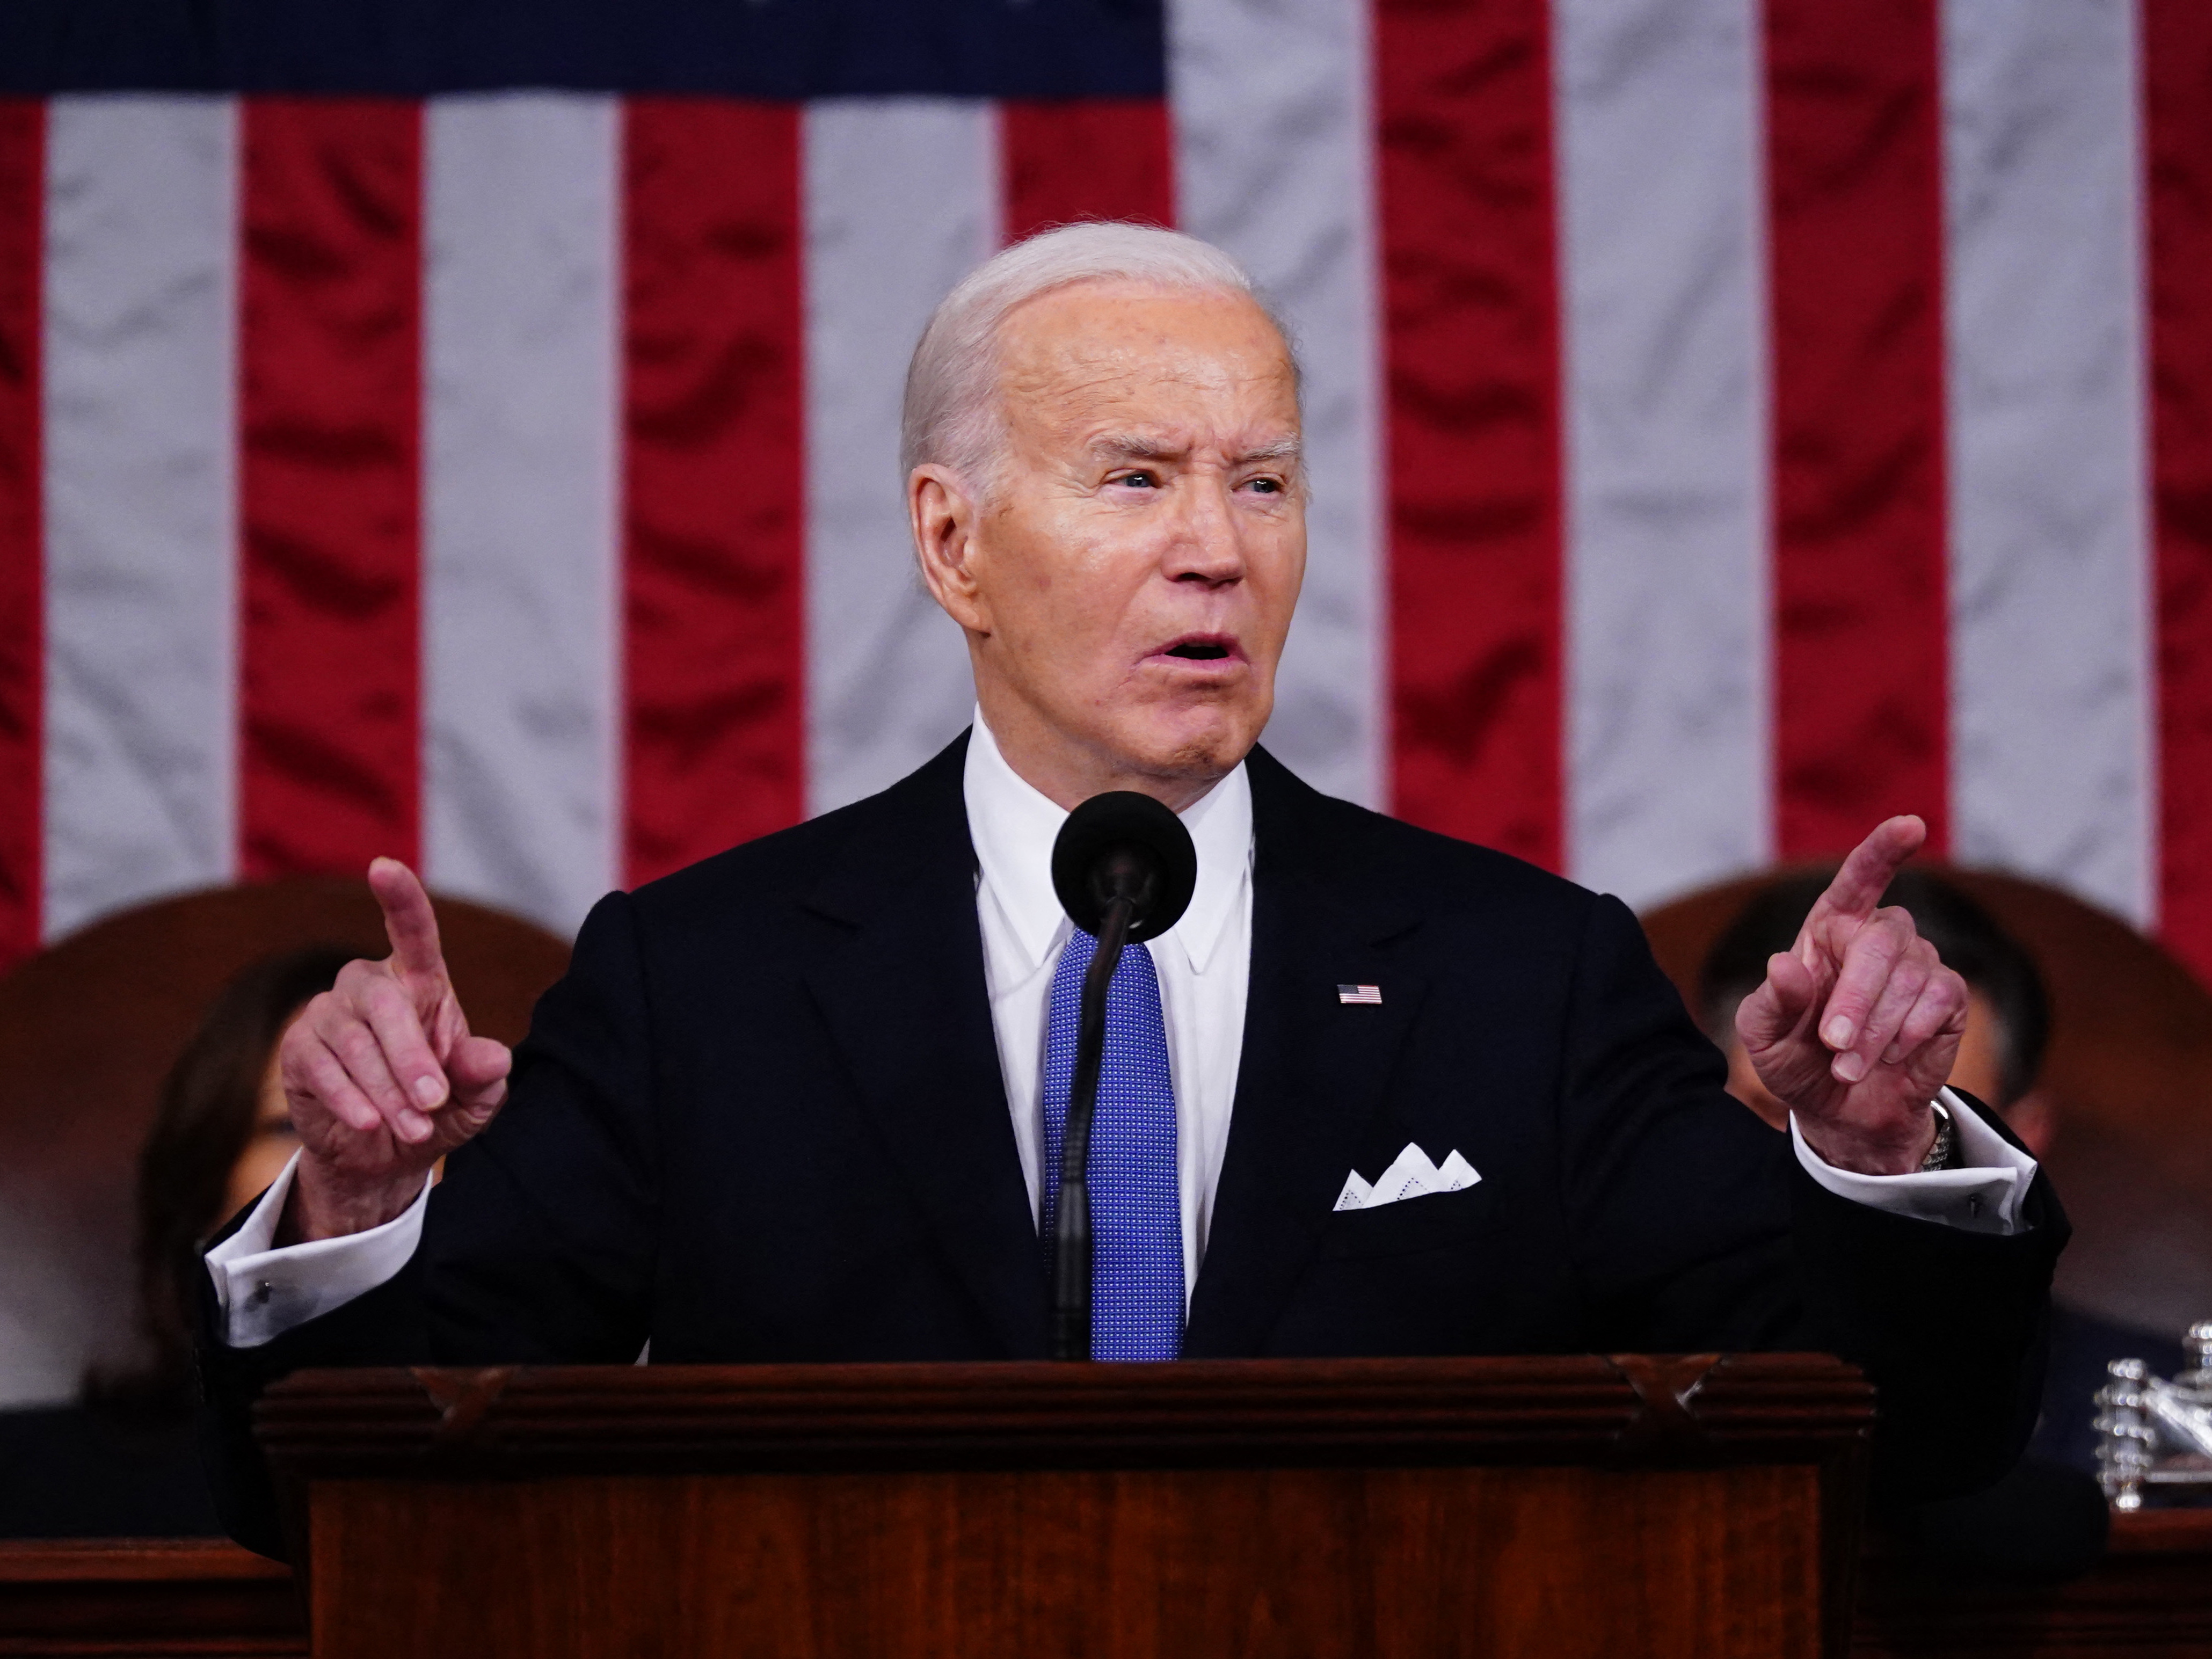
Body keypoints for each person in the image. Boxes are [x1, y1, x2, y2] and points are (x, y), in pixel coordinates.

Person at [196, 223, 2064, 1560]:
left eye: (1263, 483)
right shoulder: (707, 983)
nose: (1215, 552)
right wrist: (360, 1206)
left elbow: (1897, 1456)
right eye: (1137, 477)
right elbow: (353, 1508)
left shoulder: (1522, 974)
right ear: (954, 543)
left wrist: (1874, 1165)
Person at [1700, 870, 2185, 1575]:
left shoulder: (2172, 1418)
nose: (1832, 1156)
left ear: (2018, 1142)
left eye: (1908, 1119)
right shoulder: (1607, 1388)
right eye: (1784, 1110)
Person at [0, 946, 349, 1537]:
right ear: (204, 1201)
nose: (359, 1153)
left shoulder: (547, 1485)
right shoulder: (27, 1492)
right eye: (292, 1124)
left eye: (401, 1115)